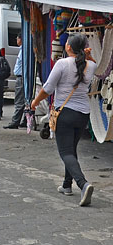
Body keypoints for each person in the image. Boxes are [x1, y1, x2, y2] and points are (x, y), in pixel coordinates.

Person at [31, 34, 96, 206]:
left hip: (65, 113)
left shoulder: (62, 63)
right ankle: (67, 185)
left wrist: (35, 102)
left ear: (68, 47)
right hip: (83, 114)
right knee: (71, 149)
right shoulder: (91, 65)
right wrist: (88, 56)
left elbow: (48, 89)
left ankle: (83, 184)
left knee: (66, 152)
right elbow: (93, 63)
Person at [4, 34, 25, 129]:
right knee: (24, 100)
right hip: (21, 77)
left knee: (19, 100)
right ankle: (24, 120)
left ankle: (15, 121)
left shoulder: (24, 50)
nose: (16, 40)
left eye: (17, 38)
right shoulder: (22, 50)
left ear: (20, 39)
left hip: (22, 77)